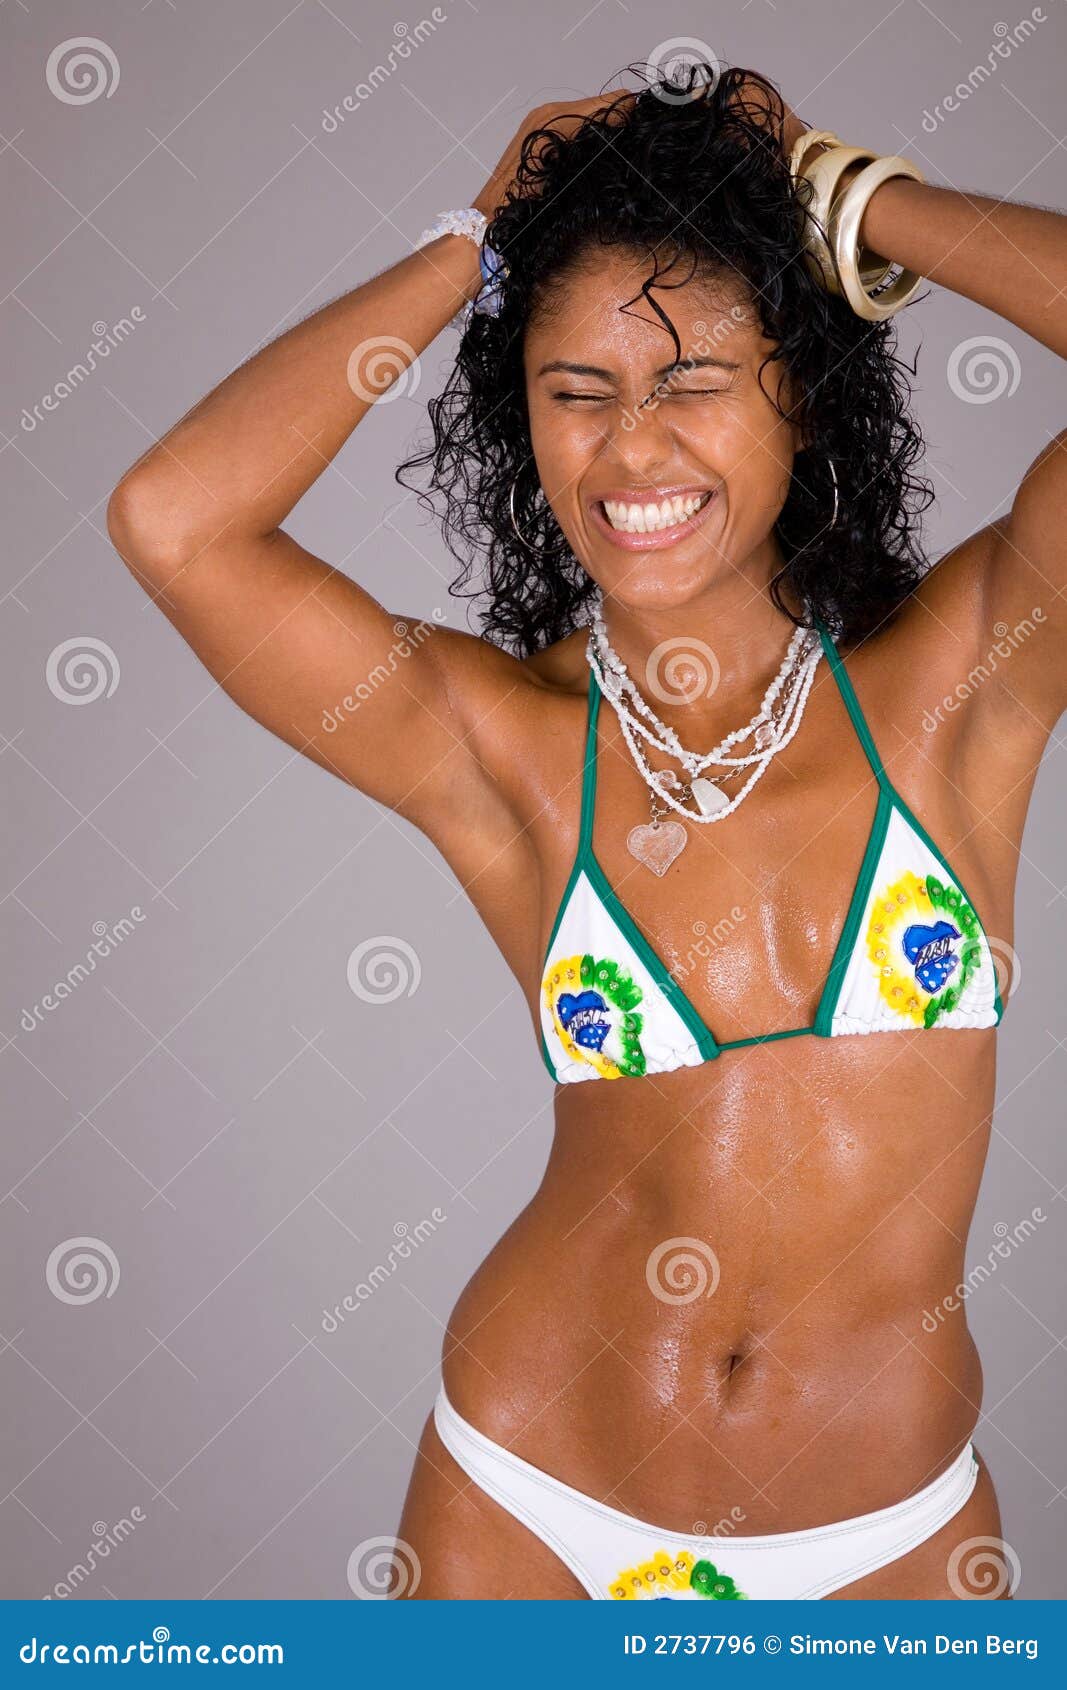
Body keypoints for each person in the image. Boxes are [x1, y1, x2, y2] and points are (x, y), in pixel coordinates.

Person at [107, 65, 1066, 1600]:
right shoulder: (505, 746)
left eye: (692, 379)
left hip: (884, 1539)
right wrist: (477, 238)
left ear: (802, 390)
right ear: (525, 416)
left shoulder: (961, 688)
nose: (632, 448)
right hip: (533, 1498)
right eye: (577, 389)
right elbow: (175, 520)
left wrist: (844, 197)